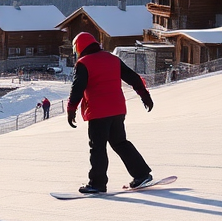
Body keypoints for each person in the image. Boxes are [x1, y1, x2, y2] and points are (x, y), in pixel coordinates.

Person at [66, 32, 155, 194]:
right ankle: (142, 174)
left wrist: (71, 109)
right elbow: (132, 77)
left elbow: (77, 88)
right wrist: (144, 95)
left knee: (98, 147)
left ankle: (97, 183)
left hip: (99, 111)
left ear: (79, 47)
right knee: (120, 142)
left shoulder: (84, 63)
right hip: (117, 109)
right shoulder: (112, 59)